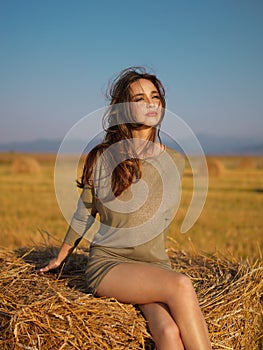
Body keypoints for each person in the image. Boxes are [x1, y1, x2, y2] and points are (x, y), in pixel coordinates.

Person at [40, 67, 212, 350]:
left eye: (155, 96)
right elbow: (85, 211)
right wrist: (61, 256)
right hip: (111, 264)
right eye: (139, 98)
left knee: (169, 333)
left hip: (155, 265)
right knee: (182, 285)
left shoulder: (177, 162)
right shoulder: (103, 158)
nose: (150, 103)